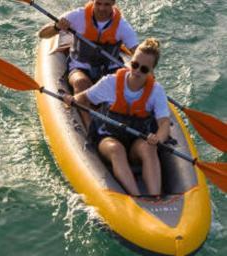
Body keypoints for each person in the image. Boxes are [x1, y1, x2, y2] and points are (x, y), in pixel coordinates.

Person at [63, 39, 171, 197]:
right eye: (134, 65)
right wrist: (71, 99)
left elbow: (164, 122)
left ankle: (155, 198)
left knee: (149, 148)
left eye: (144, 68)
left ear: (151, 71)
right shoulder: (111, 82)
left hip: (137, 140)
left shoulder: (156, 91)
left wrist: (159, 138)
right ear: (131, 61)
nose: (137, 71)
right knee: (116, 149)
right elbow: (85, 97)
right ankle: (136, 197)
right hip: (108, 137)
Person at [39, 0, 139, 128]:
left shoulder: (122, 26)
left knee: (125, 93)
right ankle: (90, 128)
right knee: (81, 83)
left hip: (110, 70)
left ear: (113, 4)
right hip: (80, 67)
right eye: (99, 3)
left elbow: (137, 53)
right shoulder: (78, 16)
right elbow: (42, 34)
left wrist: (143, 74)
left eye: (107, 4)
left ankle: (118, 126)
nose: (102, 8)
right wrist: (57, 27)